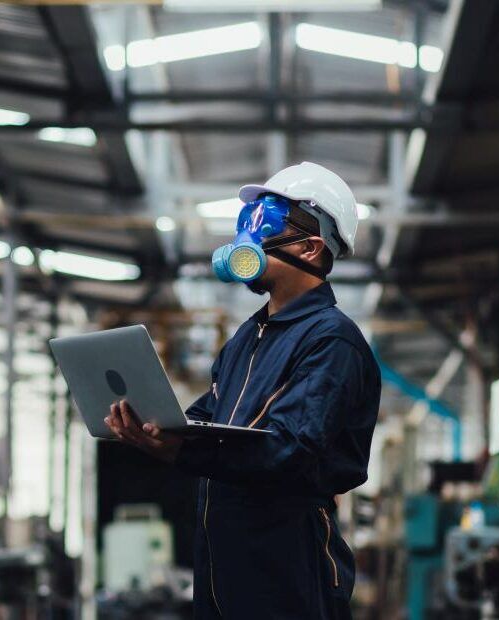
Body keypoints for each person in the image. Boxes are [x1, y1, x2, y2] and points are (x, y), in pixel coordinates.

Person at [105, 162, 381, 619]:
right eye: (244, 224)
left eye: (264, 223)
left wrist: (181, 452)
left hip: (286, 566)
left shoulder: (331, 341)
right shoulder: (245, 340)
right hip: (222, 562)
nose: (245, 239)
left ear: (311, 248)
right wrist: (155, 425)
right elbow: (207, 417)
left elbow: (290, 449)